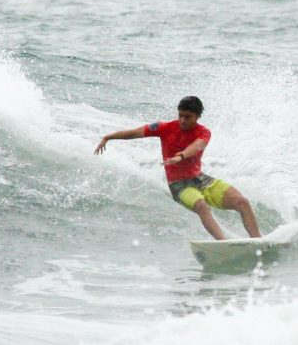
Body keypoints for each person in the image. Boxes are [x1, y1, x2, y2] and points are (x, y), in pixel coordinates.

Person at [94, 96, 261, 240]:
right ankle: (224, 245)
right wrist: (108, 137)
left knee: (242, 202)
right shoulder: (164, 128)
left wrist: (180, 156)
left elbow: (197, 146)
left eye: (187, 117)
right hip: (179, 185)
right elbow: (134, 133)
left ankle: (258, 241)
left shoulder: (203, 132)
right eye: (180, 115)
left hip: (201, 179)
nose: (182, 120)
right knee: (202, 206)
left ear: (197, 116)